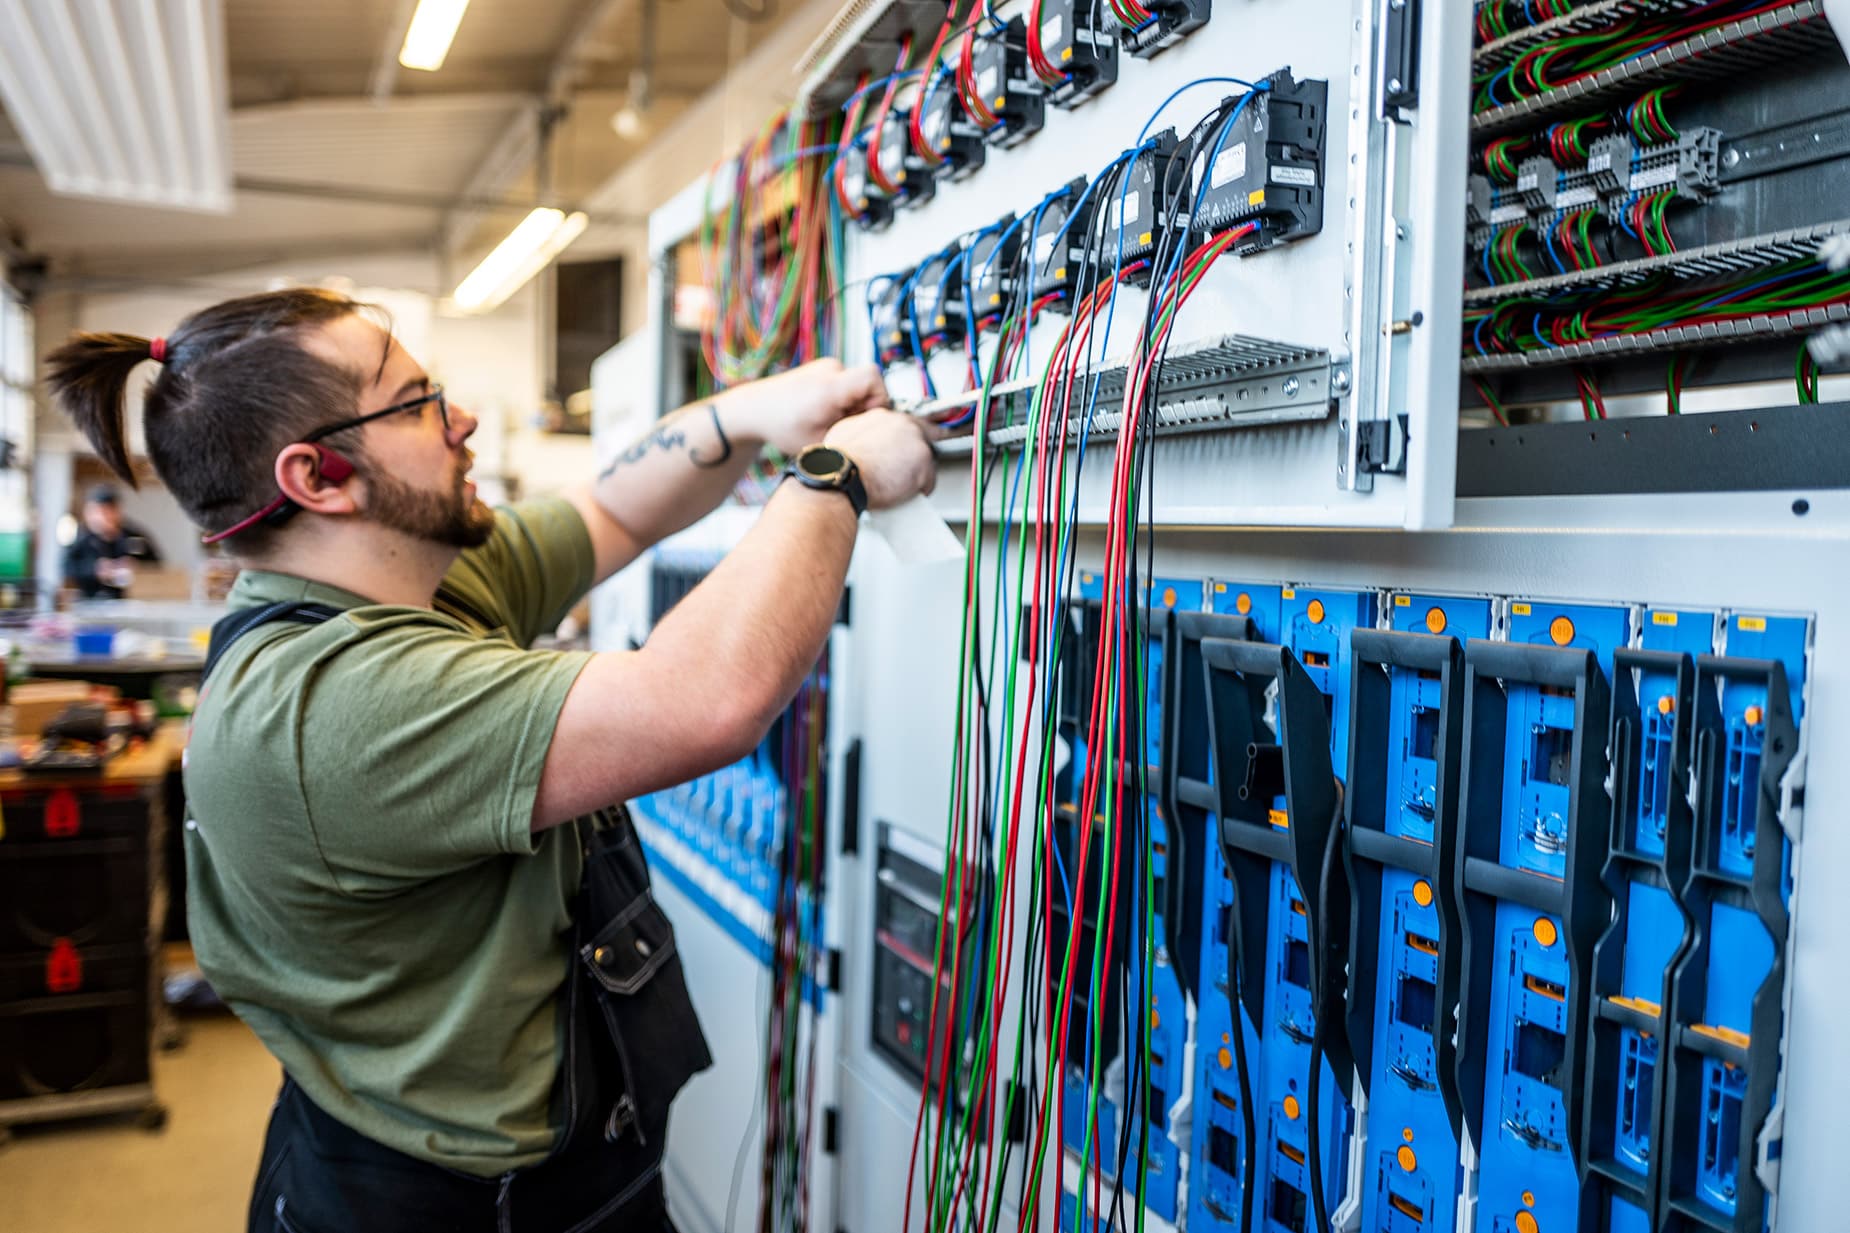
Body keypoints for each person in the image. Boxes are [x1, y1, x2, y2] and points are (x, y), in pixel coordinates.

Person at [45, 288, 936, 1233]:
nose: (462, 419)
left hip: (542, 1168)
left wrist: (760, 408)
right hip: (459, 1210)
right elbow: (704, 700)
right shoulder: (328, 707)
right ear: (318, 475)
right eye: (419, 402)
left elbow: (612, 509)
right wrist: (834, 474)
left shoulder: (414, 580)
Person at [62, 483, 162, 598]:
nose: (102, 517)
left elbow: (158, 566)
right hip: (91, 601)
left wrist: (137, 567)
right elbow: (66, 568)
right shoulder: (81, 539)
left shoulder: (136, 537)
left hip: (130, 602)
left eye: (107, 511)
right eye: (97, 511)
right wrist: (95, 569)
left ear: (117, 511)